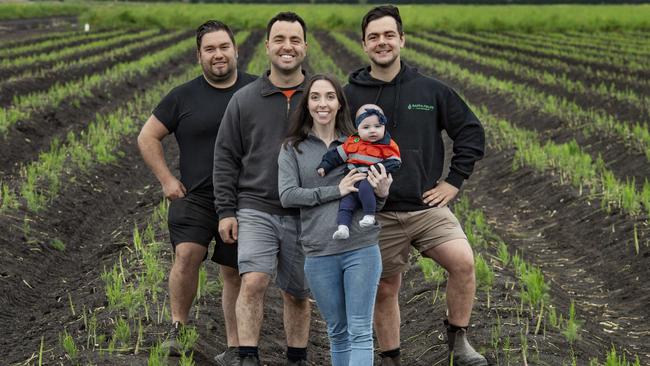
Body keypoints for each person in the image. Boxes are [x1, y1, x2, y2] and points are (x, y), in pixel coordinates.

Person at [343, 5, 487, 366]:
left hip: (427, 206)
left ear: (402, 40)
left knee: (463, 263)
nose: (382, 42)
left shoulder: (430, 90)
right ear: (363, 44)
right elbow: (329, 145)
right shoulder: (349, 95)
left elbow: (470, 132)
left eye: (389, 35)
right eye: (374, 37)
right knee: (385, 289)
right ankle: (391, 357)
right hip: (377, 213)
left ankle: (458, 340)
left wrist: (453, 182)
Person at [137, 20, 256, 365]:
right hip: (197, 196)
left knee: (234, 271)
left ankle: (235, 347)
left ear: (235, 49)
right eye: (210, 49)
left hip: (243, 197)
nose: (218, 55)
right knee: (187, 254)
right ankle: (178, 329)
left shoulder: (256, 90)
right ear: (199, 55)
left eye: (223, 47)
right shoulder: (183, 96)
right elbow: (147, 137)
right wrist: (166, 180)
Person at [213, 12, 311, 366]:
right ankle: (248, 356)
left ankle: (297, 357)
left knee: (297, 292)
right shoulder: (244, 99)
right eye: (280, 40)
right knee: (253, 281)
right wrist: (226, 210)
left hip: (304, 210)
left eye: (294, 40)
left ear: (305, 47)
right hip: (255, 206)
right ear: (267, 46)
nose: (287, 47)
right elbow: (225, 156)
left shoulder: (320, 97)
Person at [278, 74, 392, 366]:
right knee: (337, 331)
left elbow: (373, 199)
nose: (322, 103)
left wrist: (382, 192)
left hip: (361, 248)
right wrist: (335, 190)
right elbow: (288, 196)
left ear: (340, 104)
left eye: (330, 96)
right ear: (307, 104)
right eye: (315, 97)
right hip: (319, 251)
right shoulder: (293, 148)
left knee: (359, 331)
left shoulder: (359, 142)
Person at [317, 103, 400, 240]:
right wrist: (325, 165)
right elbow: (337, 155)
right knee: (345, 204)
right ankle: (343, 227)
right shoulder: (353, 142)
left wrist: (375, 170)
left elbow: (395, 162)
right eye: (366, 127)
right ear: (358, 129)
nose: (372, 130)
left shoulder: (387, 145)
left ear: (384, 126)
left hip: (370, 180)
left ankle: (369, 216)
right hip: (352, 181)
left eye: (377, 126)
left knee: (365, 187)